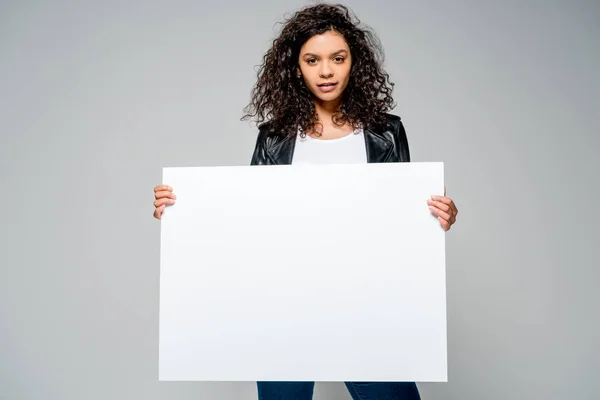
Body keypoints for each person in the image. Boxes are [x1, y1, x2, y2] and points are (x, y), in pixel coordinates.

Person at [153, 3, 458, 400]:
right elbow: (247, 218)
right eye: (312, 60)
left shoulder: (385, 132)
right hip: (284, 304)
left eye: (338, 58)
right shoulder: (275, 137)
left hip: (365, 304)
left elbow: (400, 219)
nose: (326, 71)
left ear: (355, 62)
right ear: (297, 68)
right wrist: (183, 212)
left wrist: (438, 215)